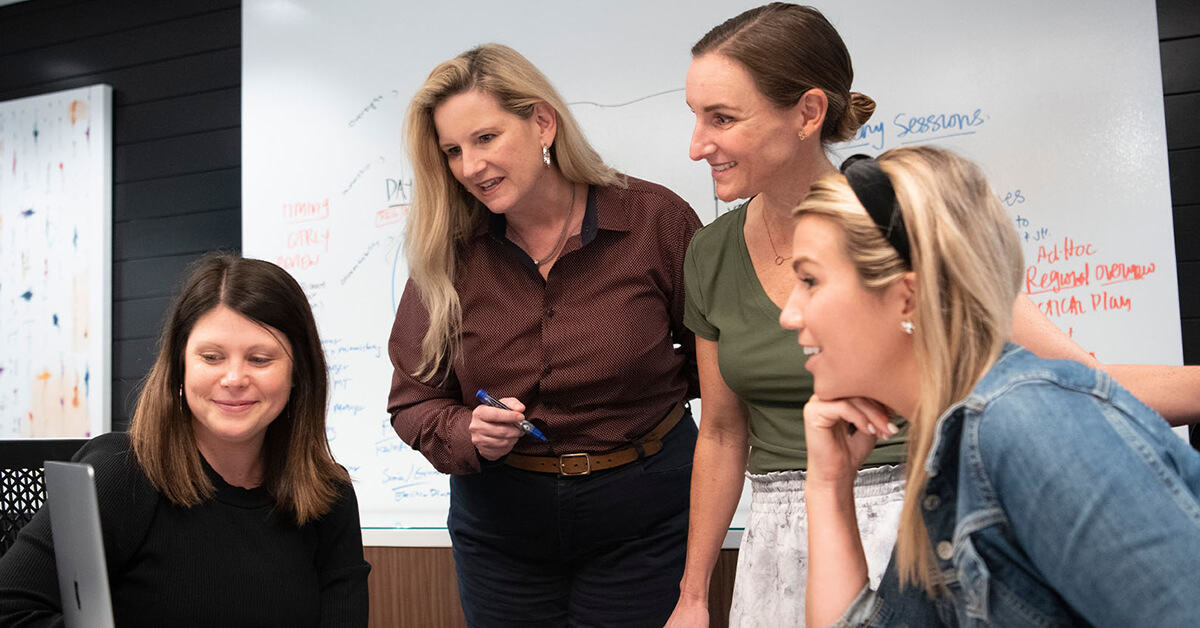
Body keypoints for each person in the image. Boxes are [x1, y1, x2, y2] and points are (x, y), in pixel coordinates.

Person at [668, 4, 1200, 627]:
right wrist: (821, 494)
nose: (698, 144)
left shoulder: (1021, 427)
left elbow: (1086, 386)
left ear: (910, 292)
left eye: (722, 117)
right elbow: (724, 433)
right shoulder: (714, 252)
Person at [786, 145, 1200, 627]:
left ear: (907, 298)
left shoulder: (1027, 422)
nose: (789, 313)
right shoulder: (950, 450)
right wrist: (829, 485)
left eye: (810, 281)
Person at [387, 44, 701, 627]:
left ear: (542, 122)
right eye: (453, 151)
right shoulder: (449, 253)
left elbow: (712, 360)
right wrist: (467, 429)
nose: (470, 167)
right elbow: (412, 400)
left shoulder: (655, 220)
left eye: (485, 138)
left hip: (642, 514)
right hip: (502, 528)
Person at [0, 255, 371, 628]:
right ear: (180, 366)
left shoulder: (329, 495)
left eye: (260, 359)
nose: (234, 378)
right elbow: (11, 611)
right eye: (212, 357)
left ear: (297, 375)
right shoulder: (119, 474)